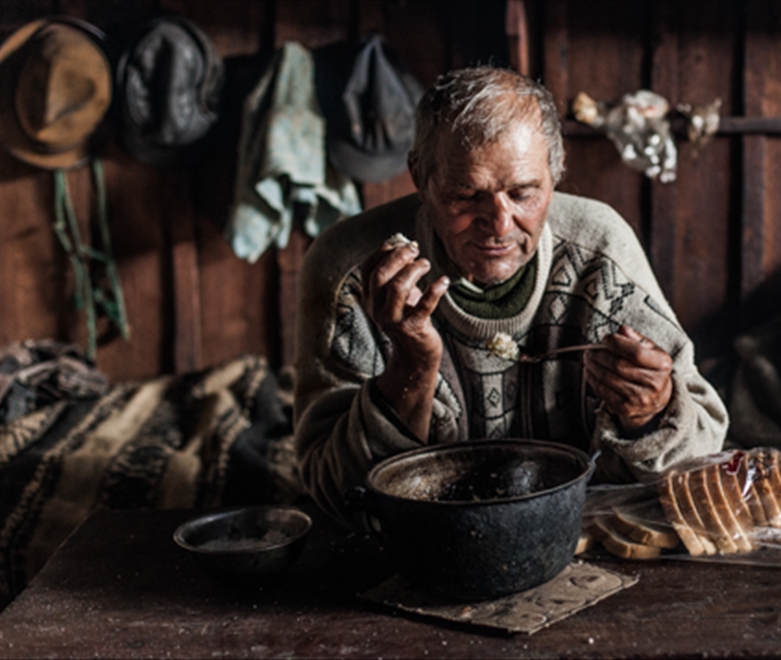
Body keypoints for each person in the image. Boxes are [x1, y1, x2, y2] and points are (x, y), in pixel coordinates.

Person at [293, 66, 728, 526]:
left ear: (556, 173)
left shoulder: (600, 252)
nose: (499, 224)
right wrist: (410, 369)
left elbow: (700, 453)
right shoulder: (350, 269)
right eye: (466, 195)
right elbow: (333, 490)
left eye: (523, 193)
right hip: (416, 549)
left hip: (586, 542)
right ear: (420, 175)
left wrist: (651, 413)